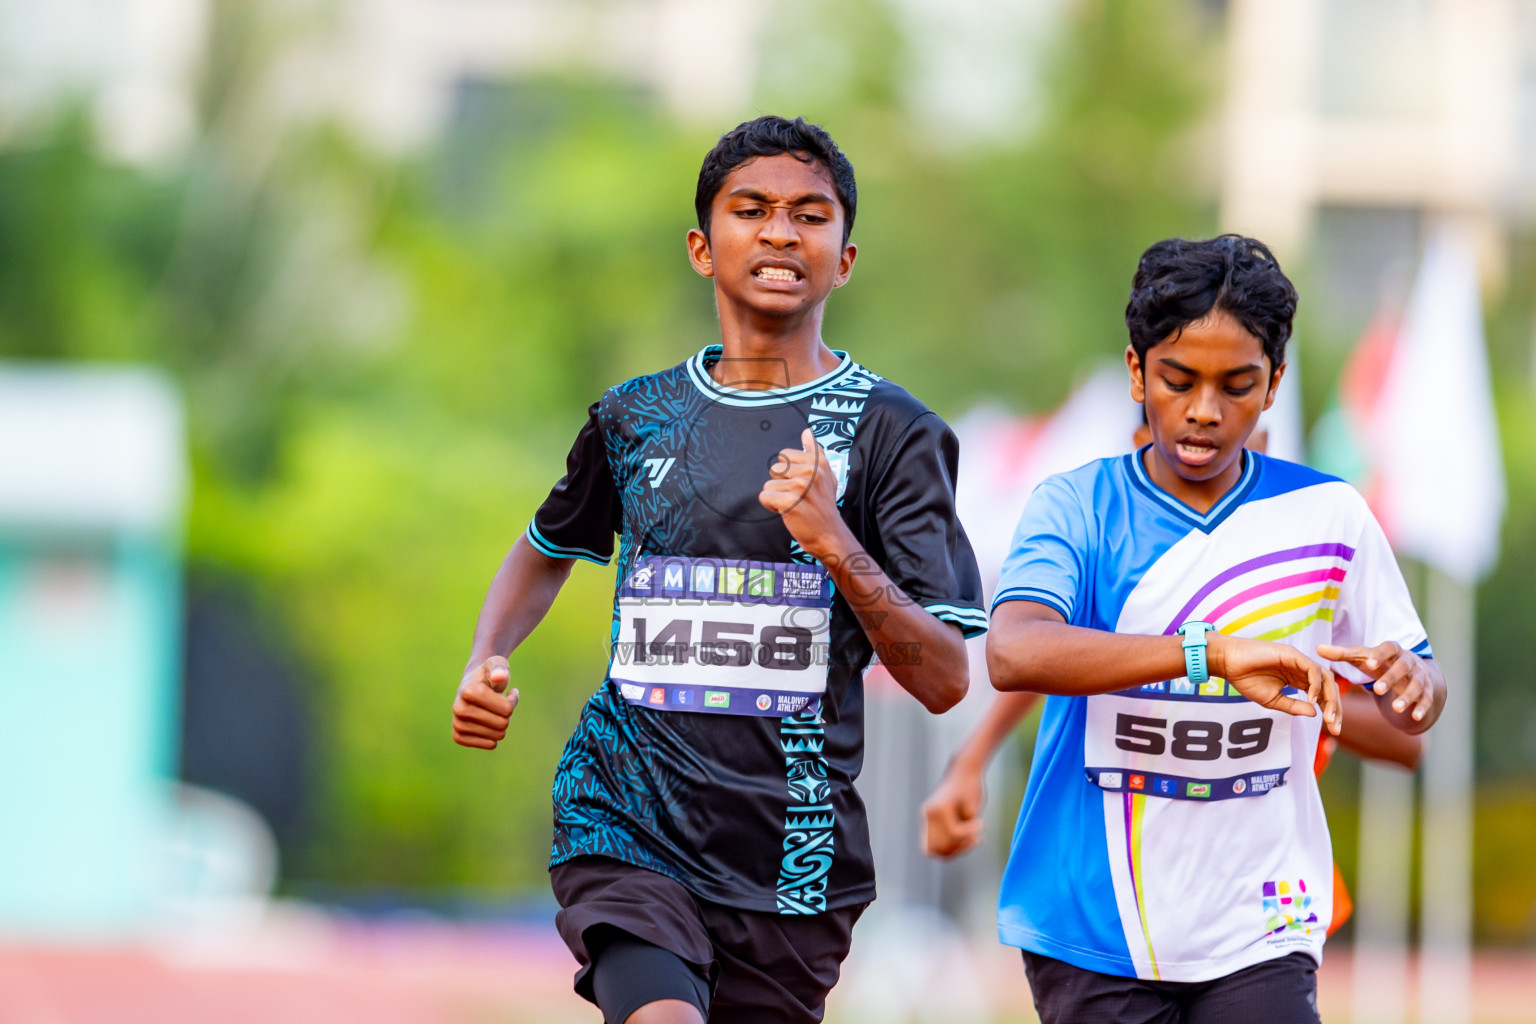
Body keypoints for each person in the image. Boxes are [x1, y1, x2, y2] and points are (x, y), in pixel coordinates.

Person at [450, 115, 986, 1024]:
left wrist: (834, 542)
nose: (781, 232)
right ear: (704, 247)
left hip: (790, 865)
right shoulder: (634, 418)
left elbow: (942, 678)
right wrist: (485, 654)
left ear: (845, 258)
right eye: (753, 210)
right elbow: (545, 548)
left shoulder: (895, 434)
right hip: (627, 819)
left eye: (810, 216)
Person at [973, 234, 1445, 1023]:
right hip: (1094, 923)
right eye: (1178, 379)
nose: (1203, 410)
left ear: (1274, 386)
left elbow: (1411, 715)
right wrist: (1214, 656)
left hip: (1260, 921)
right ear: (1136, 373)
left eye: (1236, 385)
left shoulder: (1329, 515)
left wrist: (1417, 682)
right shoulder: (1077, 506)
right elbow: (1014, 650)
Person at [922, 417, 1425, 940]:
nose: (1219, 464)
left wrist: (1303, 696)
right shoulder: (1120, 553)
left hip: (1258, 879)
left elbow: (1408, 740)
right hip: (1121, 880)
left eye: (1242, 449)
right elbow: (1034, 658)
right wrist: (971, 759)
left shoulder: (1295, 579)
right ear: (1142, 444)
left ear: (1267, 443)